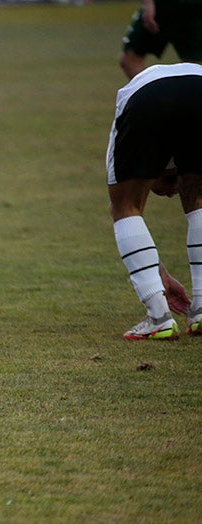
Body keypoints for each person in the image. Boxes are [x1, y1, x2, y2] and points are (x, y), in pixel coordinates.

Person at [106, 62, 202, 339]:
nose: (172, 191)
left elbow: (121, 210)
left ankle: (158, 316)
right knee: (198, 197)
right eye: (170, 179)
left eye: (175, 177)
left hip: (148, 95)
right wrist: (159, 272)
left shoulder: (128, 107)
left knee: (125, 205)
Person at [119, 0, 202, 79]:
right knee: (195, 67)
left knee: (130, 59)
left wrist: (148, 4)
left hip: (164, 5)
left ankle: (156, 92)